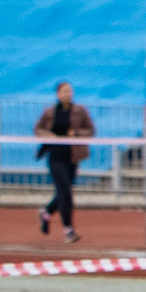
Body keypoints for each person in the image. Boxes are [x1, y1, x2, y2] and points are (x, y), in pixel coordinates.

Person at [33, 82, 94, 243]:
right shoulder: (50, 112)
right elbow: (38, 129)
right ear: (58, 94)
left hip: (72, 157)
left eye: (70, 91)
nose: (68, 94)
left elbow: (90, 130)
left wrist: (76, 133)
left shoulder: (79, 111)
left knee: (63, 191)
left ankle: (46, 213)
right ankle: (68, 229)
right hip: (55, 157)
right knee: (65, 192)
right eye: (64, 91)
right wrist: (48, 135)